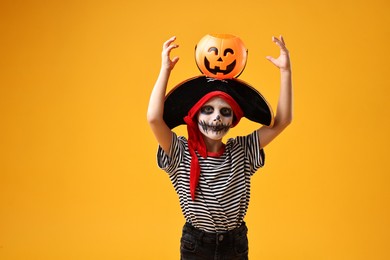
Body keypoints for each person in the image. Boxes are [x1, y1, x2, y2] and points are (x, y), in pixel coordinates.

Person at [147, 35, 292, 259]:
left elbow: (281, 121)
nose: (216, 118)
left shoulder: (242, 151)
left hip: (234, 243)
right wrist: (165, 70)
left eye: (225, 112)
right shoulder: (180, 152)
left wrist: (285, 72)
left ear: (233, 120)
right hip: (196, 244)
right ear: (194, 116)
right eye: (208, 110)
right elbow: (155, 119)